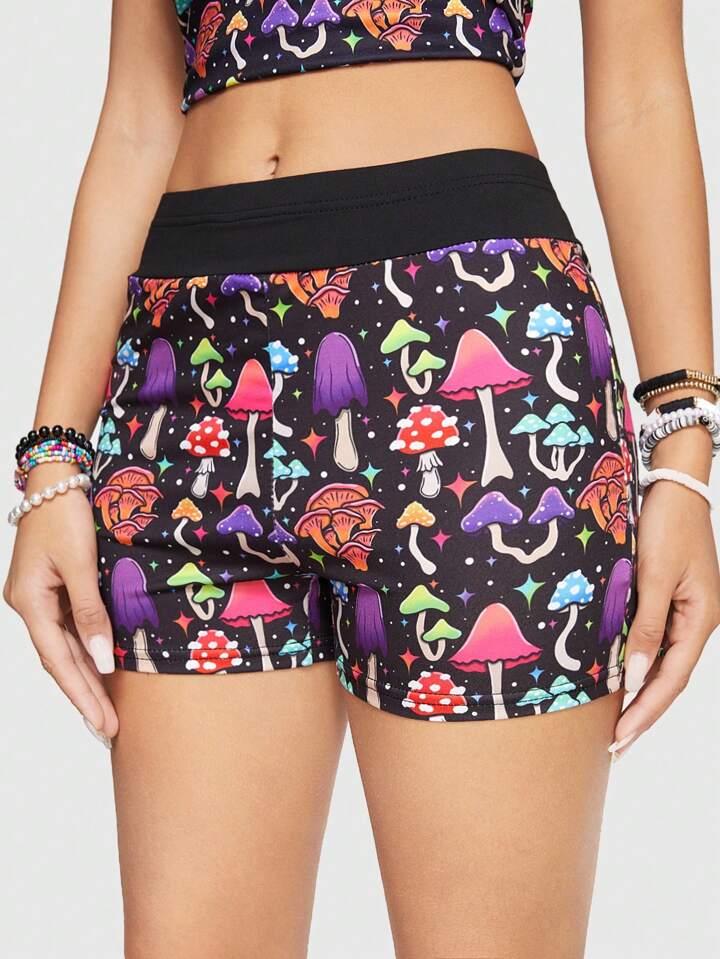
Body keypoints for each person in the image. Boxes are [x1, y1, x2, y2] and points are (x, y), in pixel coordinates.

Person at [4, 1, 719, 956]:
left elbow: (640, 97)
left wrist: (686, 454)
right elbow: (138, 116)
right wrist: (54, 457)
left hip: (466, 343)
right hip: (185, 385)